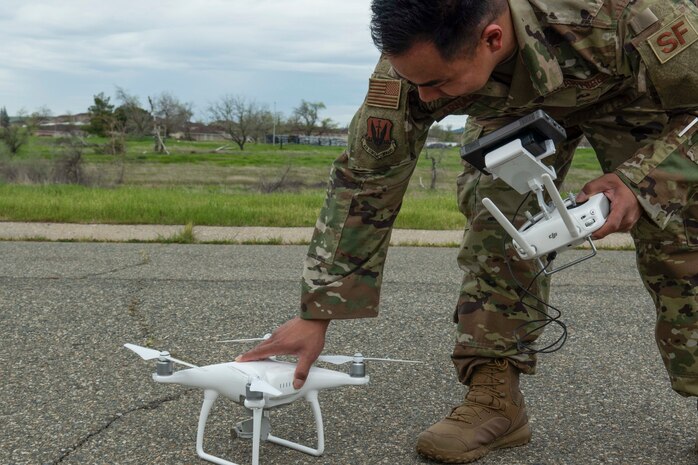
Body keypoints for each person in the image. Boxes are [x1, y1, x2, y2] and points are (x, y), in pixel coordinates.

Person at [239, 0, 698, 462]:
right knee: (500, 225)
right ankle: (494, 399)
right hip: (514, 101)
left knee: (679, 238)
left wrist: (638, 182)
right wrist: (316, 313)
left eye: (438, 84)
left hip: (652, 98)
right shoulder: (414, 65)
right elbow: (366, 180)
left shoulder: (636, 13)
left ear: (492, 38)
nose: (426, 100)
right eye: (418, 83)